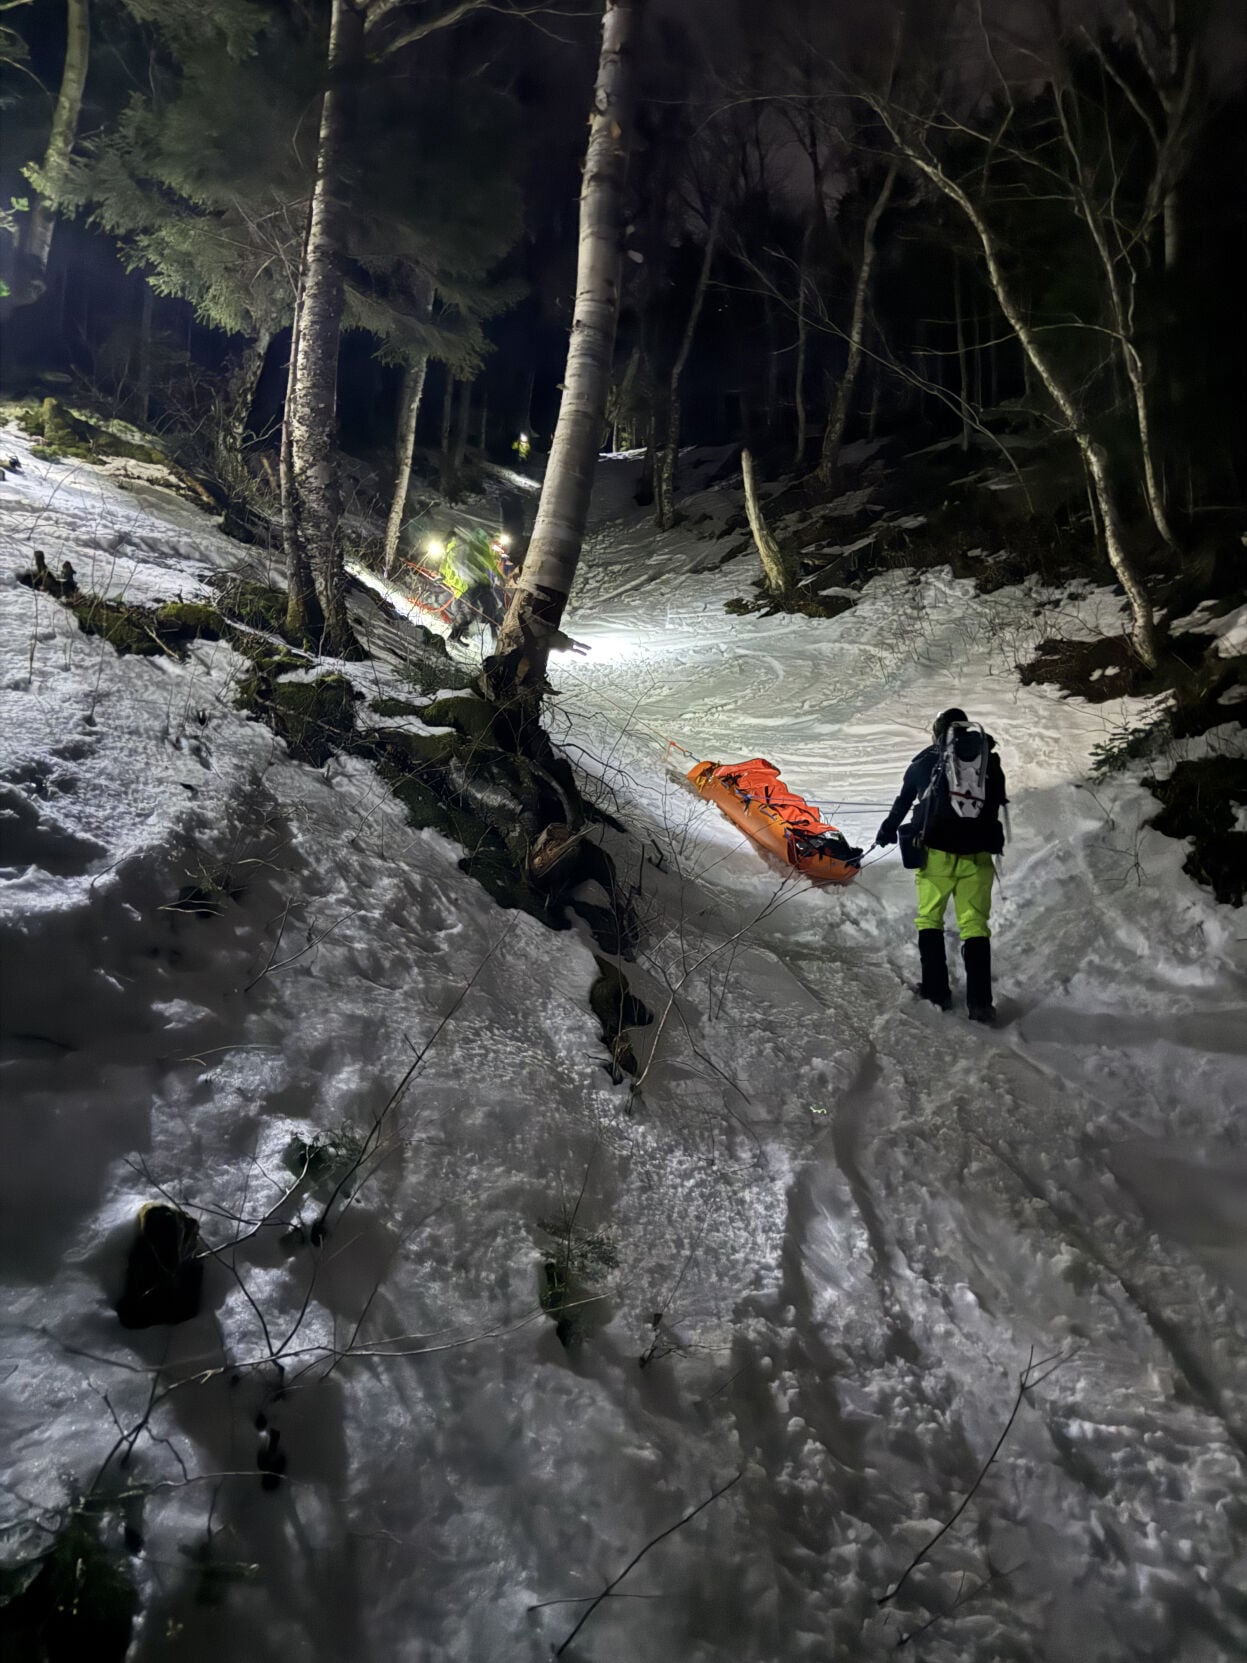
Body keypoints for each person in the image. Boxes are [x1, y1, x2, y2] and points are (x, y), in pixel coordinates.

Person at [876, 708, 1008, 1022]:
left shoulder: (925, 762)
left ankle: (937, 992)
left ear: (938, 732)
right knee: (975, 924)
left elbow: (904, 800)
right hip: (978, 856)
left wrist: (886, 831)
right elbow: (996, 801)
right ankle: (980, 1003)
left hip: (936, 854)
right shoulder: (988, 762)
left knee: (930, 920)